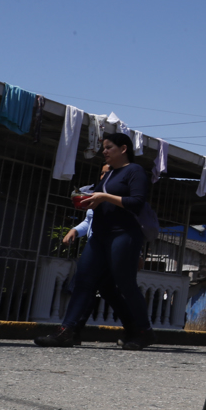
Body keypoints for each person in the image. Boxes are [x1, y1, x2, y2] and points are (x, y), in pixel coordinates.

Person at [36, 133, 156, 350]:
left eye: (109, 147)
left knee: (126, 284)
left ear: (123, 149)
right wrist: (87, 202)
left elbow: (136, 203)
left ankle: (143, 331)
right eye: (104, 148)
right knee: (83, 281)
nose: (104, 151)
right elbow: (101, 201)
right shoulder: (107, 174)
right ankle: (67, 331)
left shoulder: (134, 171)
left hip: (124, 234)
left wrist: (103, 197)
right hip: (99, 235)